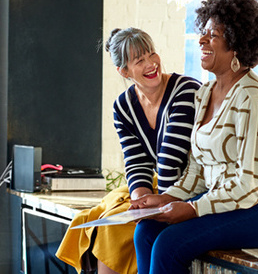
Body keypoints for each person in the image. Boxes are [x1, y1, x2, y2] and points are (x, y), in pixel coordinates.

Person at [131, 0, 258, 273]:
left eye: (213, 35)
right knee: (147, 229)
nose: (202, 41)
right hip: (249, 199)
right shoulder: (206, 94)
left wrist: (194, 209)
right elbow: (199, 167)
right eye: (203, 33)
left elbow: (253, 185)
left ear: (236, 45)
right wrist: (168, 198)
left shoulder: (254, 100)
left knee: (170, 243)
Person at [55, 27, 201, 274]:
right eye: (140, 60)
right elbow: (136, 163)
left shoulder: (185, 90)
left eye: (152, 54)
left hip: (192, 188)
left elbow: (171, 159)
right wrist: (140, 202)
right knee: (111, 226)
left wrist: (155, 207)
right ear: (124, 71)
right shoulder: (122, 106)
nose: (151, 64)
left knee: (133, 229)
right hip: (161, 189)